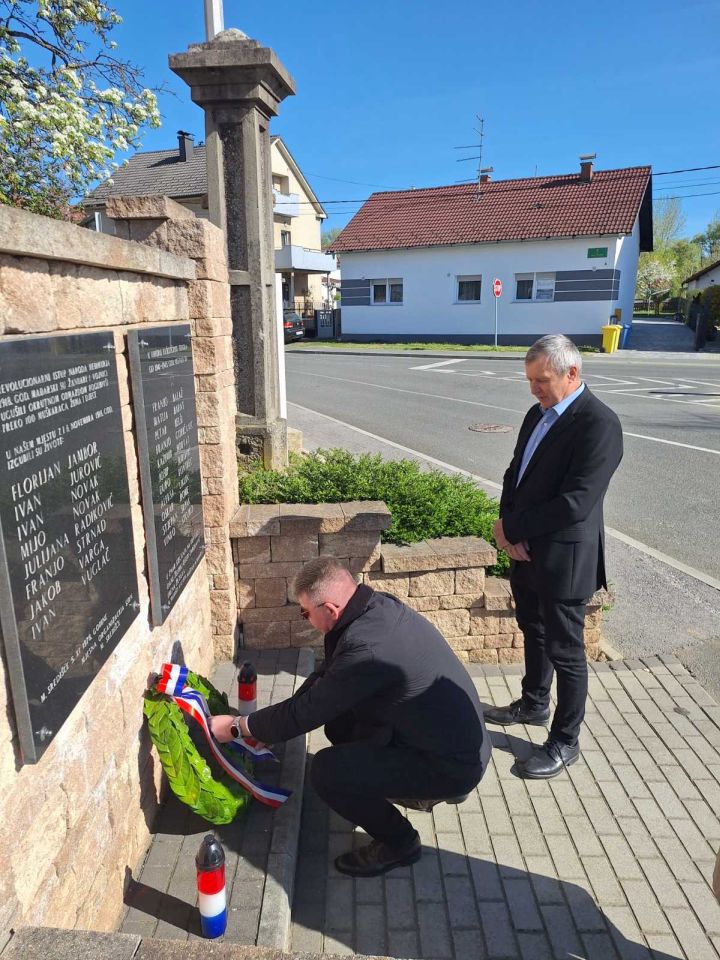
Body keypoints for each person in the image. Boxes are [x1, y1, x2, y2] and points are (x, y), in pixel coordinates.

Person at [210, 556, 491, 877]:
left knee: (328, 772)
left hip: (454, 764)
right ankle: (395, 782)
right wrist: (263, 727)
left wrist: (235, 727)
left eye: (305, 613)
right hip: (452, 739)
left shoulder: (367, 648)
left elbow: (308, 712)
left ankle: (401, 843)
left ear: (329, 609)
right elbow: (325, 682)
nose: (305, 619)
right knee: (342, 725)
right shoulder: (374, 608)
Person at [484, 334, 623, 779]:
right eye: (529, 380)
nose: (534, 390)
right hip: (525, 550)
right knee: (532, 629)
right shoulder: (536, 414)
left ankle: (565, 741)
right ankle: (534, 702)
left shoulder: (598, 424)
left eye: (541, 380)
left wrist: (514, 529)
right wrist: (506, 524)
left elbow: (577, 502)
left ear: (572, 373)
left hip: (564, 559)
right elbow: (514, 473)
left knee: (566, 651)